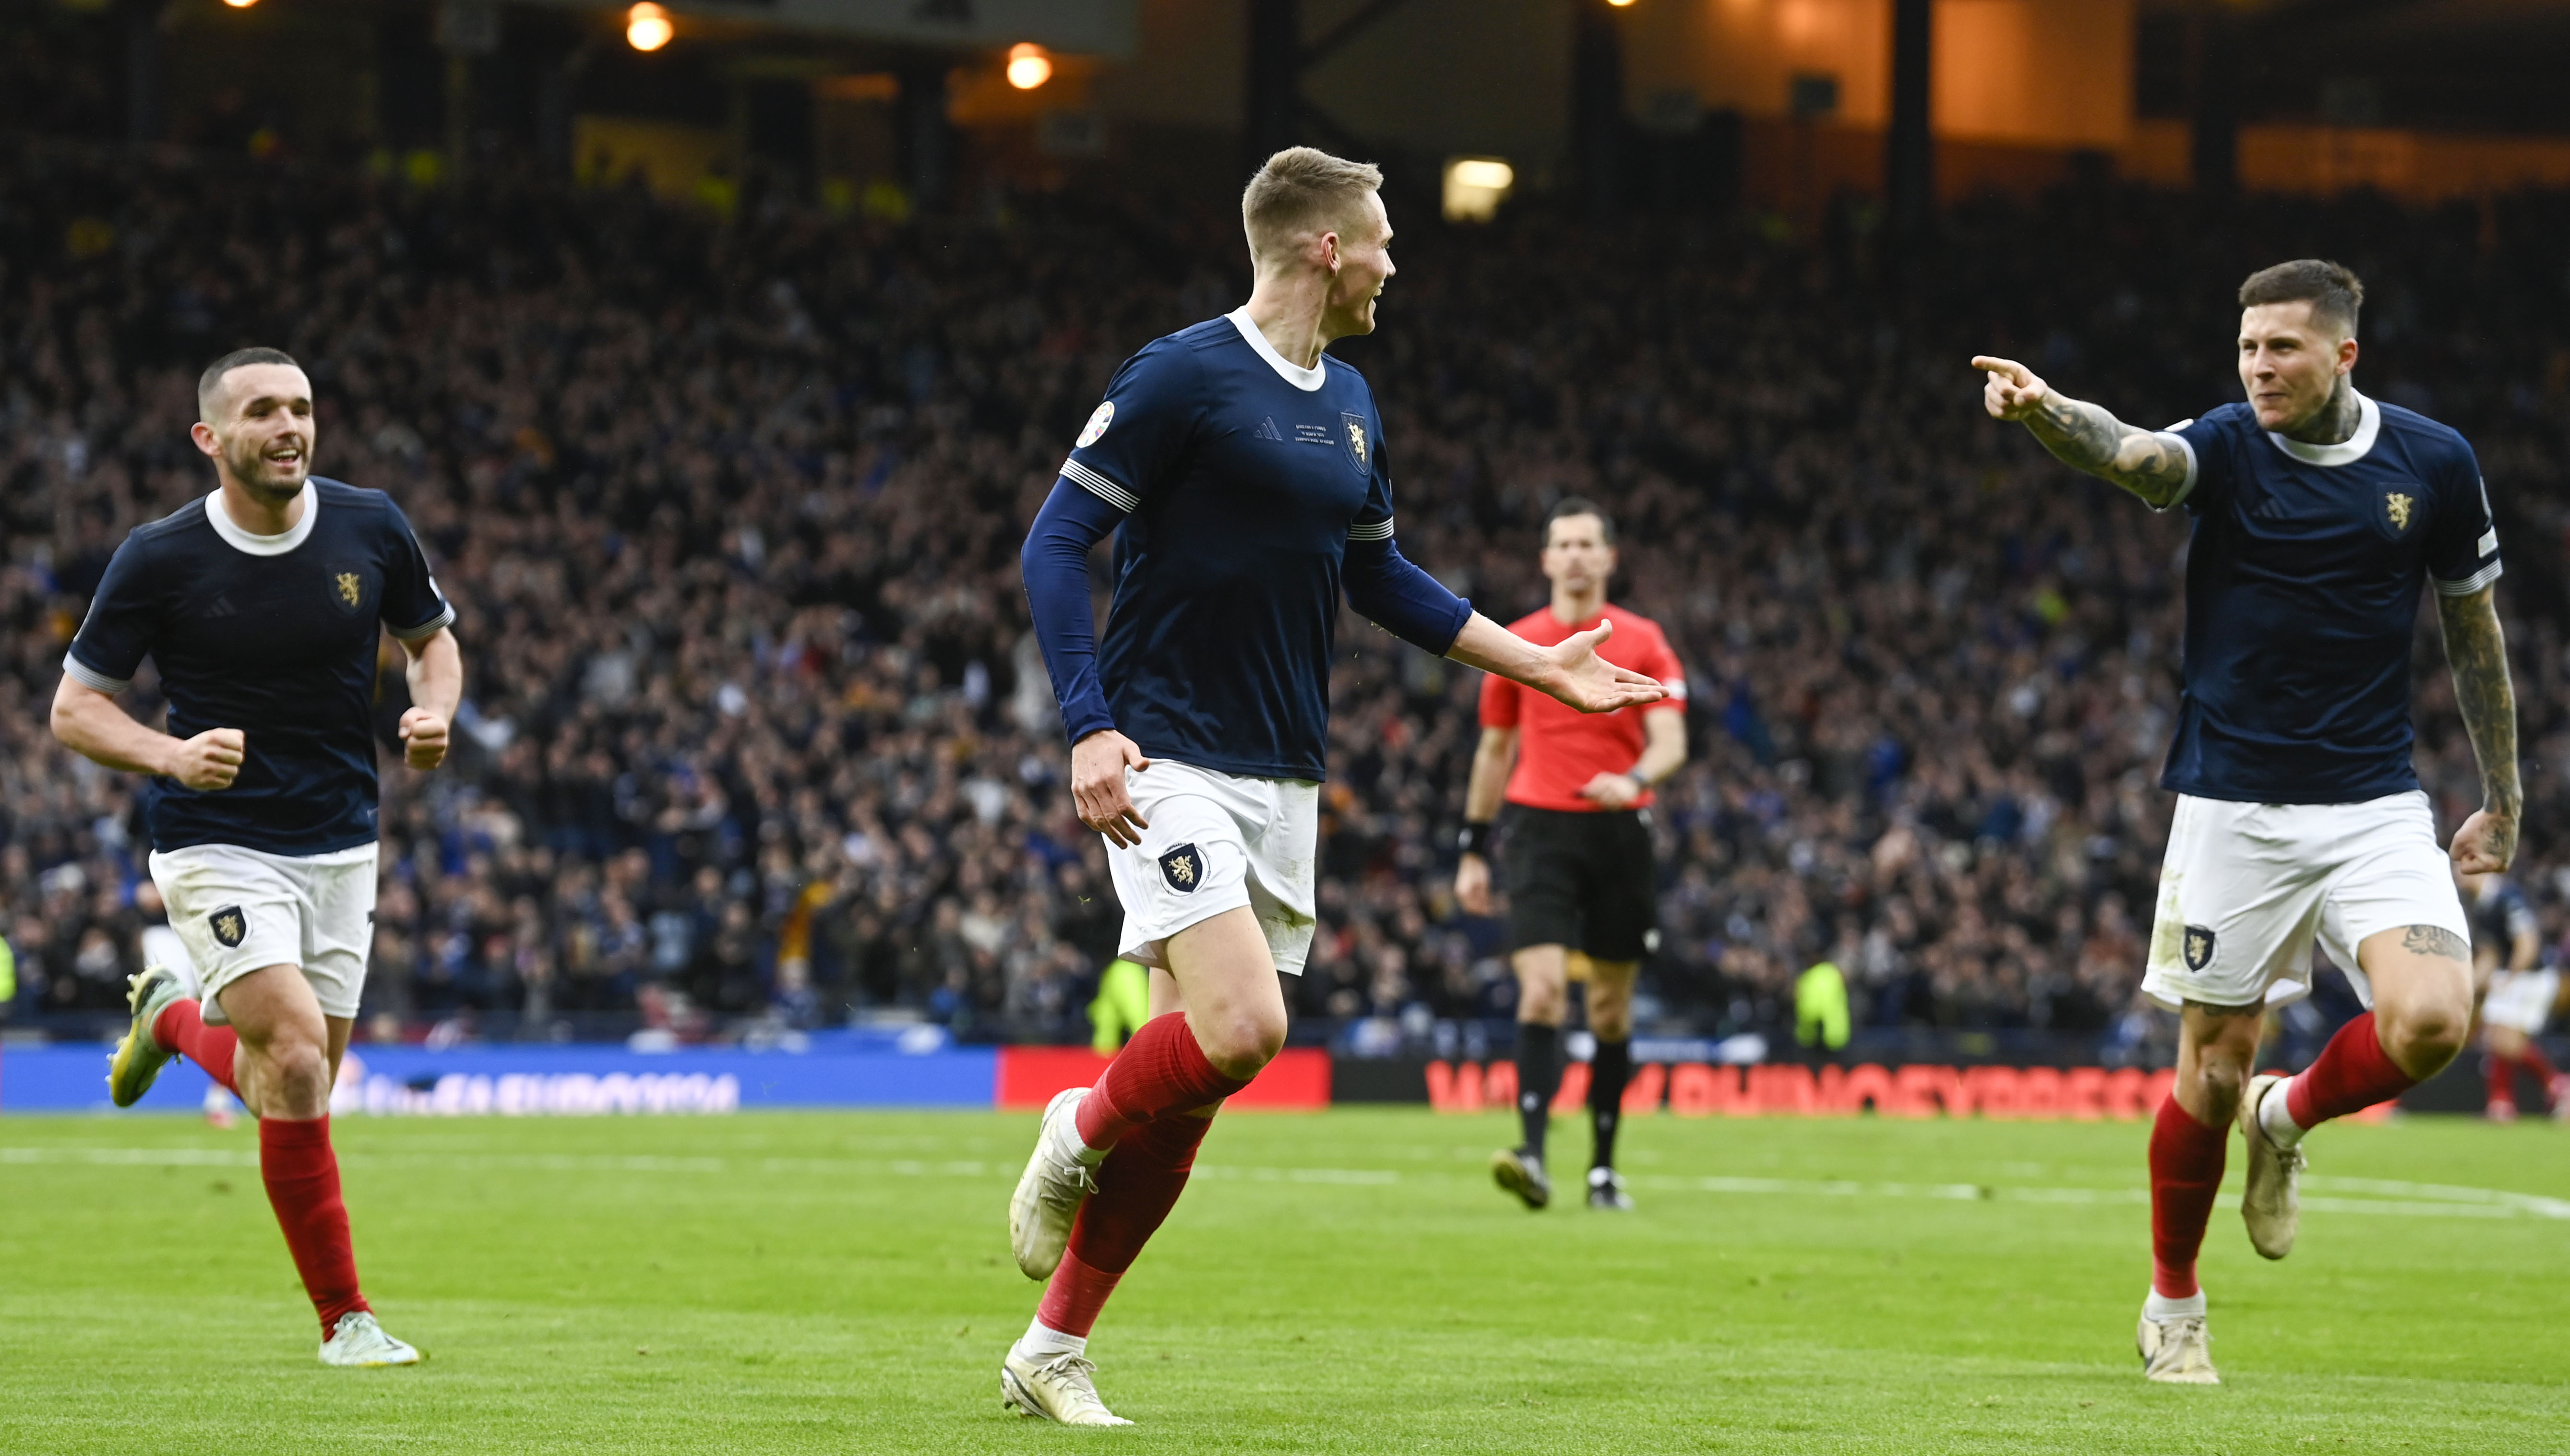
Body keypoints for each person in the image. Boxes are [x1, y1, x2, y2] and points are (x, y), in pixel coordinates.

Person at [1007, 147, 1665, 1426]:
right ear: (1326, 248)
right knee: (1245, 1030)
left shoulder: (1352, 401)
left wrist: (1539, 664)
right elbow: (1056, 541)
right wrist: (1088, 727)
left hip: (1283, 771)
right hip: (1163, 757)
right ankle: (1073, 1127)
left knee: (1193, 1090)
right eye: (1382, 240)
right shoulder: (1182, 372)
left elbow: (1381, 578)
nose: (1392, 262)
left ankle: (1051, 1348)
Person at [1976, 259, 2515, 1385]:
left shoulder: (2433, 462)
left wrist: (2503, 794)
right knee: (2211, 1070)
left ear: (2343, 353)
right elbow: (2130, 452)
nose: (2258, 368)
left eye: (2282, 348)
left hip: (2373, 803)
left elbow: (2474, 632)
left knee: (2432, 1019)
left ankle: (2288, 1115)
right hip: (2234, 804)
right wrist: (2046, 411)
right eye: (2247, 348)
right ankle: (2173, 1305)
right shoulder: (2227, 445)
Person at [52, 347, 461, 1367]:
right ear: (211, 437)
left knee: (295, 1082)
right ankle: (346, 1321)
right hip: (216, 835)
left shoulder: (371, 523)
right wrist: (170, 755)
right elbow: (75, 709)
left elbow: (431, 640)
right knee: (293, 1056)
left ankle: (170, 1017)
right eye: (264, 411)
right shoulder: (160, 556)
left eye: (302, 408)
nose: (289, 427)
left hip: (343, 837)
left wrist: (435, 711)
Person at [1454, 500, 1686, 1212]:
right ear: (1546, 559)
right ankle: (1531, 1154)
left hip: (1619, 828)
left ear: (1609, 557)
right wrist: (1473, 847)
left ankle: (1602, 1170)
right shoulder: (1514, 644)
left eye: (1588, 543)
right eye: (1564, 544)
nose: (1577, 555)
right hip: (1537, 829)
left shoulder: (1645, 640)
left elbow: (1671, 741)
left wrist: (1634, 780)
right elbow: (1494, 749)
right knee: (1542, 991)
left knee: (1610, 1011)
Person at [2464, 871, 2566, 1121]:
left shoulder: (2508, 896)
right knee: (2493, 1038)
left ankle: (2557, 1083)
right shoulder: (2483, 903)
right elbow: (2490, 954)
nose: (2458, 873)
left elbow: (2527, 942)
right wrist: (2469, 986)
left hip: (2530, 977)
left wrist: (2511, 976)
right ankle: (2501, 1103)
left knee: (2502, 1039)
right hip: (2510, 975)